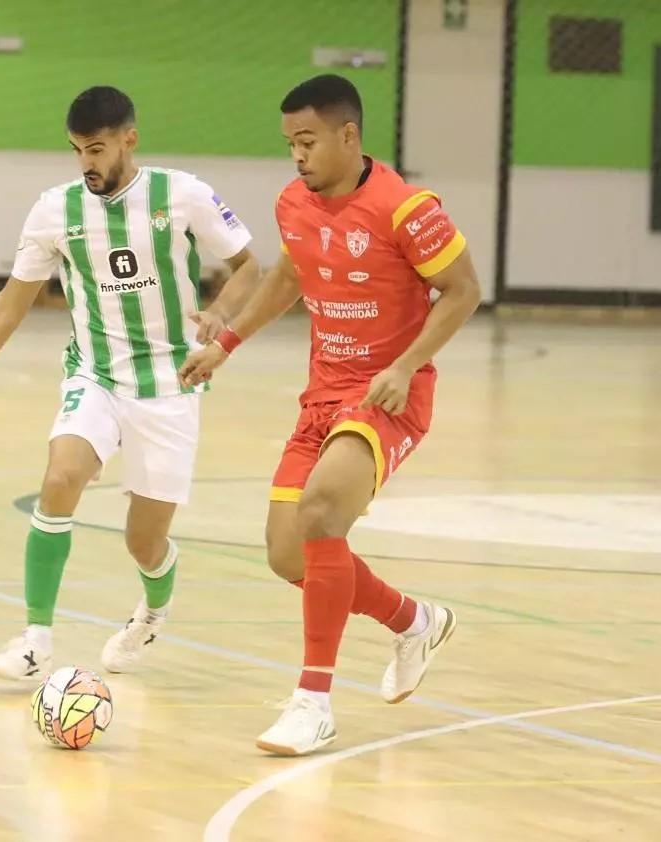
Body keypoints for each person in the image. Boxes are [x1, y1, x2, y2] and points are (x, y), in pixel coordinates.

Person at [0, 86, 260, 679]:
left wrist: (223, 312)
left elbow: (251, 267)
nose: (86, 164)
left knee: (143, 544)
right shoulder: (55, 210)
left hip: (172, 383)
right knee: (61, 477)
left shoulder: (182, 194)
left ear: (129, 138)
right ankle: (35, 640)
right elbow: (8, 306)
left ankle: (153, 611)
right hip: (94, 373)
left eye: (96, 150)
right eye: (76, 151)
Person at [180, 74, 481, 755]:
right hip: (323, 395)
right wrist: (224, 344)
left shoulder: (407, 209)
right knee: (291, 556)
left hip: (386, 396)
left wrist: (405, 365)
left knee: (320, 514)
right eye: (290, 143)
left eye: (308, 140)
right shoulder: (295, 203)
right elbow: (289, 277)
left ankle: (313, 701)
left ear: (350, 135)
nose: (298, 156)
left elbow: (463, 290)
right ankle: (414, 620)